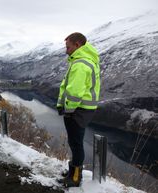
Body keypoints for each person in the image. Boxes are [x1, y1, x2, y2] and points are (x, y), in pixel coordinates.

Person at [56, 32, 100, 187]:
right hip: (83, 109)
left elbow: (74, 93)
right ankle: (72, 172)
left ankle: (75, 177)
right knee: (75, 142)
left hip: (78, 110)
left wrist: (67, 110)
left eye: (68, 47)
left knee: (76, 144)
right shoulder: (85, 60)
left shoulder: (81, 64)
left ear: (77, 45)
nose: (66, 50)